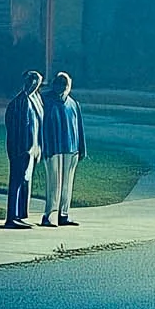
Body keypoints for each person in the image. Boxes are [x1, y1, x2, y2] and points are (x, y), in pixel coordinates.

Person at [39, 70, 85, 226]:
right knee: (54, 182)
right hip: (52, 148)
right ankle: (49, 215)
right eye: (59, 83)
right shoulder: (45, 100)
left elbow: (79, 128)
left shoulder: (73, 104)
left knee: (67, 183)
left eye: (65, 84)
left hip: (71, 149)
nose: (62, 87)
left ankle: (64, 214)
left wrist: (81, 148)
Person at [3, 70, 44, 226]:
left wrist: (38, 146)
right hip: (20, 149)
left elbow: (38, 126)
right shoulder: (20, 102)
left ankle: (21, 214)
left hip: (31, 148)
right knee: (17, 181)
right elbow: (16, 128)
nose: (34, 86)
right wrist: (22, 149)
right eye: (33, 83)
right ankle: (12, 217)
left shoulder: (35, 100)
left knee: (26, 181)